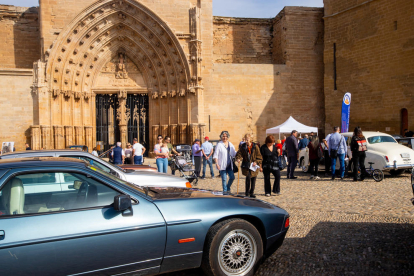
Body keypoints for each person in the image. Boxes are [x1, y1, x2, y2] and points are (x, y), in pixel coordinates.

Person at [235, 134, 262, 198]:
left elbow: (259, 157)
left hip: (253, 166)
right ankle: (247, 193)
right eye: (245, 139)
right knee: (248, 178)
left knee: (253, 179)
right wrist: (238, 158)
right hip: (246, 165)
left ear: (251, 140)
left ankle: (252, 192)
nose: (246, 141)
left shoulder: (255, 147)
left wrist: (256, 162)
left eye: (247, 139)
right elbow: (239, 154)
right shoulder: (243, 146)